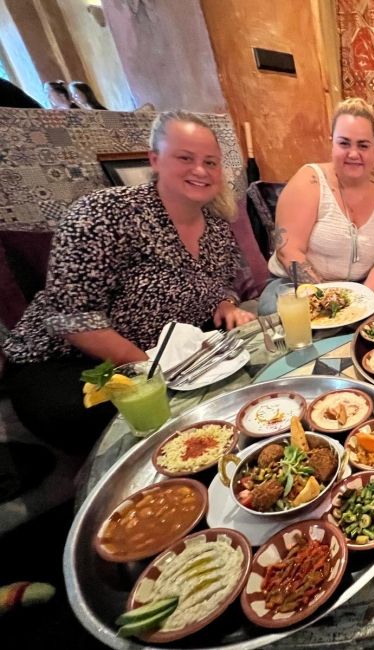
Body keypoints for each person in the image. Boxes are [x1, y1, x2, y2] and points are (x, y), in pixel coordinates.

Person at [1, 110, 255, 452]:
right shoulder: (104, 213)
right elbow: (72, 318)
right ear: (155, 159)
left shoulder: (217, 227)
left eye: (210, 162)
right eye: (185, 158)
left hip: (167, 354)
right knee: (127, 421)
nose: (200, 170)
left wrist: (226, 305)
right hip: (70, 363)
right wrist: (149, 373)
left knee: (237, 375)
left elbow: (220, 285)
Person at [258, 97, 374, 314]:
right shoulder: (309, 181)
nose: (353, 154)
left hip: (362, 287)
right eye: (344, 143)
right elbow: (288, 250)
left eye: (363, 145)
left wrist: (360, 301)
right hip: (300, 287)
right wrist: (328, 301)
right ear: (332, 143)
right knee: (282, 310)